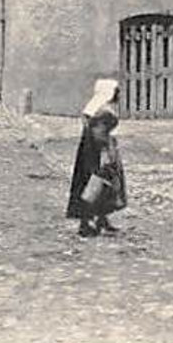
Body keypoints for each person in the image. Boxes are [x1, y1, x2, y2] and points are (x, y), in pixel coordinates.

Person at [66, 79, 128, 238]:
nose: (118, 95)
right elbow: (99, 135)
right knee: (96, 184)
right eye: (116, 92)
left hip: (92, 149)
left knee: (103, 185)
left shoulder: (95, 109)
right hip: (99, 152)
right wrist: (106, 154)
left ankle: (102, 219)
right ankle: (85, 224)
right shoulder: (103, 111)